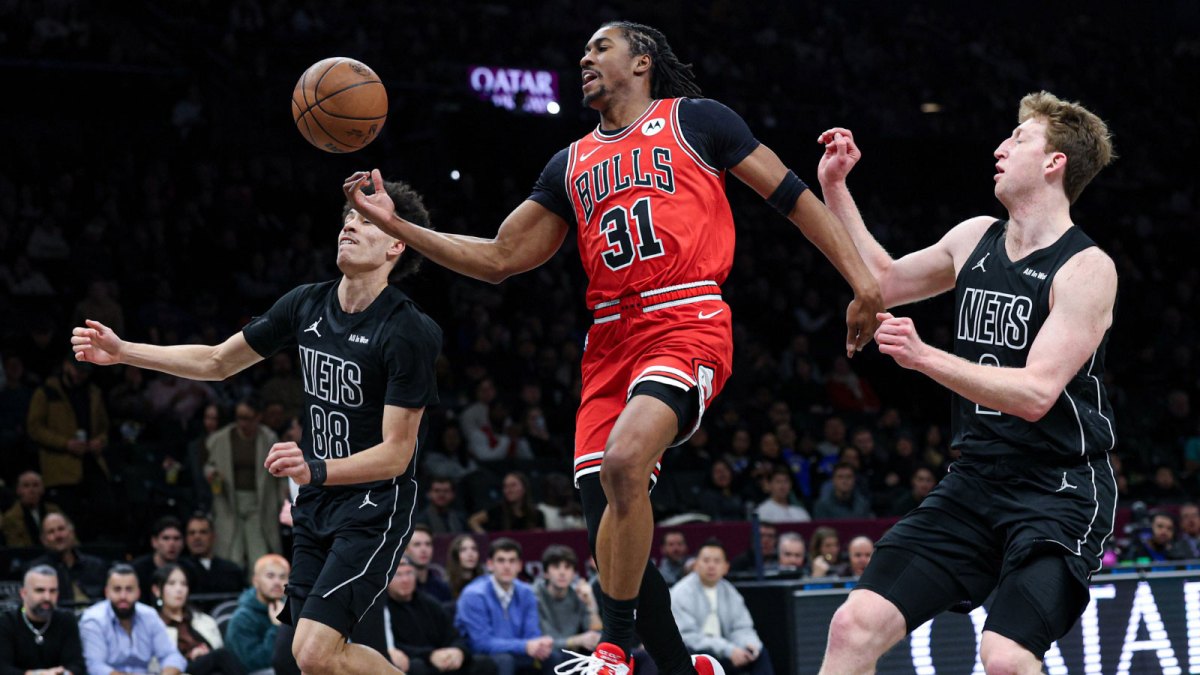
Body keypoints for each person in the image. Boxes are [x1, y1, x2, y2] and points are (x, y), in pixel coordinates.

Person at [344, 19, 883, 675]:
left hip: (684, 316)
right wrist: (396, 225)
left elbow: (793, 196)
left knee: (625, 463)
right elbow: (499, 258)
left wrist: (862, 281)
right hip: (607, 339)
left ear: (642, 59)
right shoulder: (568, 161)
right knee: (611, 517)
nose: (584, 57)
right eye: (585, 49)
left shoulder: (696, 120)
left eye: (601, 47)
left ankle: (615, 648)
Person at [70, 177, 443, 675]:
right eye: (347, 218)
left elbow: (398, 454)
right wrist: (123, 352)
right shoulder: (306, 303)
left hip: (373, 506)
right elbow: (218, 361)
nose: (349, 226)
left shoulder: (408, 331)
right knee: (307, 660)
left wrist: (315, 467)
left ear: (398, 243)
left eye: (367, 220)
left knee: (314, 651)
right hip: (316, 502)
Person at [815, 91, 1118, 674]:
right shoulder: (974, 236)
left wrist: (924, 356)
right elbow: (883, 279)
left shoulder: (1087, 268)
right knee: (853, 626)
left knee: (1004, 658)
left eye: (1020, 139)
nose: (1001, 148)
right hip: (975, 479)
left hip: (1057, 491)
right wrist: (836, 188)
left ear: (1055, 163)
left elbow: (1035, 395)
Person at [25, 354, 116, 541]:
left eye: (85, 371)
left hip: (91, 461)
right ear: (66, 365)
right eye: (77, 369)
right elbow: (34, 428)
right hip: (61, 466)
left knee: (105, 509)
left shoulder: (93, 392)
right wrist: (65, 444)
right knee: (68, 516)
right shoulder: (47, 392)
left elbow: (104, 427)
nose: (80, 375)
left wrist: (100, 440)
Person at [203, 396, 287, 572]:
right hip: (229, 501)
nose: (243, 423)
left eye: (247, 418)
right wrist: (212, 474)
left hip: (259, 502)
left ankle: (260, 590)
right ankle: (231, 591)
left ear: (258, 417)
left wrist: (283, 501)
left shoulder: (268, 438)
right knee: (231, 551)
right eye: (239, 417)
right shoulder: (222, 438)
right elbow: (209, 465)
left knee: (259, 552)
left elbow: (281, 474)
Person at [453, 538, 555, 675]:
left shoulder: (527, 592)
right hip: (480, 657)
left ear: (519, 566)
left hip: (517, 652)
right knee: (505, 660)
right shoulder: (474, 594)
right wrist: (525, 646)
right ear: (490, 564)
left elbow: (532, 634)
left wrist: (539, 645)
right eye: (501, 560)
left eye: (512, 561)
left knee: (552, 657)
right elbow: (481, 643)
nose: (507, 566)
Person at [669, 541, 772, 675]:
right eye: (706, 560)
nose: (711, 566)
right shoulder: (680, 592)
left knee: (760, 653)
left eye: (717, 561)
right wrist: (729, 650)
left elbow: (742, 627)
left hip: (728, 650)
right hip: (697, 652)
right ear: (695, 565)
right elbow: (687, 636)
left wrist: (749, 645)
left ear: (726, 567)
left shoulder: (730, 592)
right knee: (705, 656)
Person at [384, 556, 497, 675]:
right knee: (417, 667)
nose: (405, 580)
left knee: (485, 663)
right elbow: (392, 646)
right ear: (387, 579)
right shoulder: (381, 608)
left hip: (443, 659)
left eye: (409, 573)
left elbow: (453, 635)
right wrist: (430, 655)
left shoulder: (430, 603)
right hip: (417, 661)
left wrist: (458, 651)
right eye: (398, 575)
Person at [79, 564, 187, 675]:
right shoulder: (93, 619)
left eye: (129, 589)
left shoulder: (149, 615)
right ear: (107, 592)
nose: (123, 596)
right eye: (117, 589)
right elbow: (94, 666)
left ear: (138, 593)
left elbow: (171, 655)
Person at [150, 563, 245, 675]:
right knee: (222, 656)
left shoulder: (203, 620)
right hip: (180, 670)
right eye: (171, 583)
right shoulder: (152, 624)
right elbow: (154, 664)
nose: (179, 589)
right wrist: (190, 656)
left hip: (210, 667)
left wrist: (205, 652)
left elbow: (217, 647)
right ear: (156, 590)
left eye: (184, 584)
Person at [0, 565, 86, 675]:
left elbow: (77, 665)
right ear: (24, 593)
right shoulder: (7, 622)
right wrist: (39, 674)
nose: (47, 597)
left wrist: (65, 673)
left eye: (53, 591)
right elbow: (3, 669)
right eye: (40, 590)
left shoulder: (66, 620)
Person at [225, 553, 288, 672]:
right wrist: (277, 627)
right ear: (255, 580)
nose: (277, 582)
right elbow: (257, 663)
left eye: (282, 577)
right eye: (270, 576)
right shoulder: (242, 618)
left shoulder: (293, 610)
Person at [534, 545, 602, 654]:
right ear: (546, 573)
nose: (562, 572)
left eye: (567, 567)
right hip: (545, 655)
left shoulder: (579, 594)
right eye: (556, 567)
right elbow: (543, 641)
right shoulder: (535, 595)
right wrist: (577, 640)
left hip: (572, 652)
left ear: (574, 573)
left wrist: (591, 603)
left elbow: (596, 636)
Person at [29, 512, 107, 603]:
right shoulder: (35, 571)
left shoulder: (96, 566)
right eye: (51, 532)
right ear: (44, 540)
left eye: (61, 529)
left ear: (72, 532)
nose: (58, 535)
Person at [181, 513, 247, 603]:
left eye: (203, 532)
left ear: (213, 536)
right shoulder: (179, 570)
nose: (197, 537)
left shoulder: (232, 570)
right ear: (186, 538)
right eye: (192, 533)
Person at [131, 515, 187, 604]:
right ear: (154, 542)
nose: (172, 543)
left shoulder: (189, 569)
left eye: (176, 538)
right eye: (166, 538)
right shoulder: (137, 569)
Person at [467, 472, 545, 533]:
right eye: (505, 486)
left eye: (513, 485)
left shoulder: (537, 515)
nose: (509, 490)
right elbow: (473, 520)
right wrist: (485, 537)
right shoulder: (497, 511)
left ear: (524, 488)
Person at [1, 471, 62, 548]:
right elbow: (16, 547)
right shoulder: (11, 518)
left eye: (35, 485)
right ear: (18, 490)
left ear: (42, 489)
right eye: (26, 486)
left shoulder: (54, 511)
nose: (31, 490)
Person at [408, 524, 453, 603]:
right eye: (417, 545)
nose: (424, 549)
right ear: (406, 550)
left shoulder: (442, 587)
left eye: (428, 544)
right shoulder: (399, 587)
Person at [446, 534, 484, 600]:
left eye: (474, 549)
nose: (470, 554)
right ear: (456, 555)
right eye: (463, 550)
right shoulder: (447, 586)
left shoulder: (484, 583)